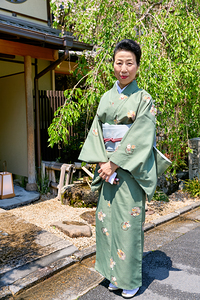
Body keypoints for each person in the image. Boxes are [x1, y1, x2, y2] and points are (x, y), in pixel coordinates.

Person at [78, 39, 171, 298]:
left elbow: (142, 135)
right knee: (106, 222)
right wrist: (101, 163)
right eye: (119, 62)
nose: (124, 68)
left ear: (137, 67)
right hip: (108, 171)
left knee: (127, 224)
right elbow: (96, 132)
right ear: (113, 65)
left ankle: (130, 279)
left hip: (129, 171)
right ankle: (113, 275)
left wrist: (113, 163)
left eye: (129, 63)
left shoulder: (144, 98)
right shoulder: (106, 98)